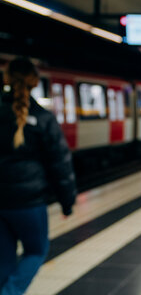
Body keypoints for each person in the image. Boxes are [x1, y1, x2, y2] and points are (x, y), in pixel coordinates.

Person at [0, 58, 77, 295]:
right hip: (29, 203)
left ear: (7, 79)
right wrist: (67, 202)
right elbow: (60, 165)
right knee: (36, 251)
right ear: (34, 82)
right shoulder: (43, 118)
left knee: (4, 259)